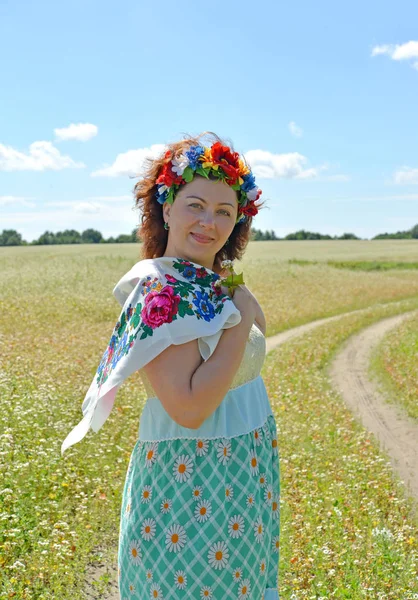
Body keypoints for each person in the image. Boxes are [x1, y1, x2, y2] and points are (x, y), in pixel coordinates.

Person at [61, 132, 280, 599]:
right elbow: (188, 408)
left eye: (224, 211)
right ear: (165, 208)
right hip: (194, 485)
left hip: (243, 469)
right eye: (195, 205)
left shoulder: (209, 280)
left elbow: (255, 332)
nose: (209, 221)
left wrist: (236, 293)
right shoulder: (159, 291)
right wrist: (239, 314)